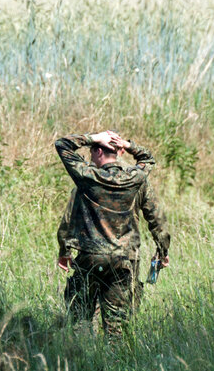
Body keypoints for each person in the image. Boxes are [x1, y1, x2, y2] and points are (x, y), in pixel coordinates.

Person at [55, 131, 169, 336]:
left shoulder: (87, 178)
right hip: (124, 259)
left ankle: (81, 360)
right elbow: (156, 216)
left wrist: (92, 137)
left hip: (91, 256)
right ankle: (114, 362)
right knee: (117, 324)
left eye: (92, 152)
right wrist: (162, 249)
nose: (90, 156)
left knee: (81, 318)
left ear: (98, 151)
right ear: (119, 151)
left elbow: (62, 144)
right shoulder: (135, 178)